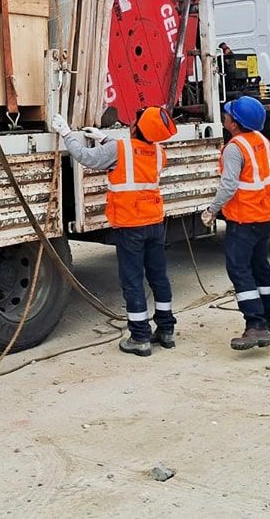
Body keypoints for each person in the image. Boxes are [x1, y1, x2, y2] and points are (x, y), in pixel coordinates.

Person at [51, 107, 177, 356]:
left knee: (133, 281)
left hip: (130, 226)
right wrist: (104, 138)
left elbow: (86, 157)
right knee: (159, 278)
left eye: (135, 121)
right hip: (154, 223)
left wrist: (66, 134)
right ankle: (166, 330)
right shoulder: (159, 152)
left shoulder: (119, 149)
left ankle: (140, 337)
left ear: (136, 127)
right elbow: (135, 153)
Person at [200, 96, 270, 351]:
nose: (225, 116)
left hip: (244, 218)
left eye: (228, 114)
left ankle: (256, 325)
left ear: (234, 123)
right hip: (264, 215)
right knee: (260, 267)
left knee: (240, 270)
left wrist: (212, 210)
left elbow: (228, 186)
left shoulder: (235, 148)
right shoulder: (261, 140)